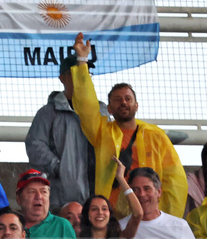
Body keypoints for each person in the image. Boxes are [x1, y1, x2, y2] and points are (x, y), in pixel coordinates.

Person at [68, 33, 187, 215]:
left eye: (127, 99)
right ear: (108, 108)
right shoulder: (102, 133)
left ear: (136, 105)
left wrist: (170, 219)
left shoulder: (156, 135)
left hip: (151, 214)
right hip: (114, 215)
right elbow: (86, 107)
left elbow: (174, 178)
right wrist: (82, 60)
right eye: (117, 100)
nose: (123, 103)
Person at [26, 67, 92, 209]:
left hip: (96, 200)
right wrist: (58, 167)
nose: (80, 78)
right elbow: (35, 145)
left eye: (85, 75)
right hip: (60, 198)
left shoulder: (100, 111)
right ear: (62, 78)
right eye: (74, 73)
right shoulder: (47, 113)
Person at [12, 168, 78, 239]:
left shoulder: (62, 225)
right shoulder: (10, 225)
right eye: (31, 191)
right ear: (18, 199)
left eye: (44, 191)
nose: (39, 196)